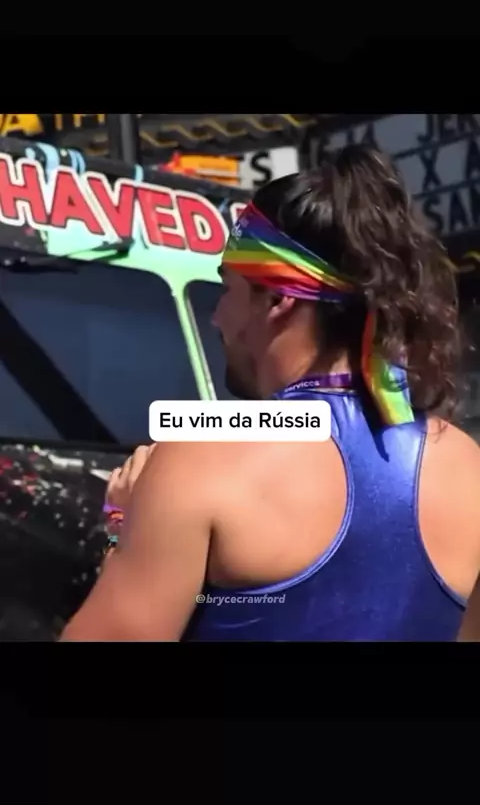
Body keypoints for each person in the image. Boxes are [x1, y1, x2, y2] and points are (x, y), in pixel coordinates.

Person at [59, 144, 480, 642]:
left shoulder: (207, 456)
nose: (217, 318)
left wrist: (121, 526)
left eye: (228, 290)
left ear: (278, 298)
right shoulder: (465, 463)